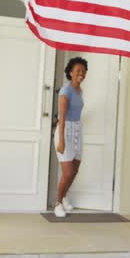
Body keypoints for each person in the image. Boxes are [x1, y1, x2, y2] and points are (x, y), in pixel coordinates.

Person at [54, 57, 88, 218]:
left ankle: (64, 196)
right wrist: (61, 140)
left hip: (77, 130)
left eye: (83, 71)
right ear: (70, 73)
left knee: (74, 170)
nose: (81, 73)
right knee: (67, 172)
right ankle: (58, 203)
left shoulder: (79, 91)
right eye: (78, 71)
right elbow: (61, 118)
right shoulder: (65, 91)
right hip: (65, 130)